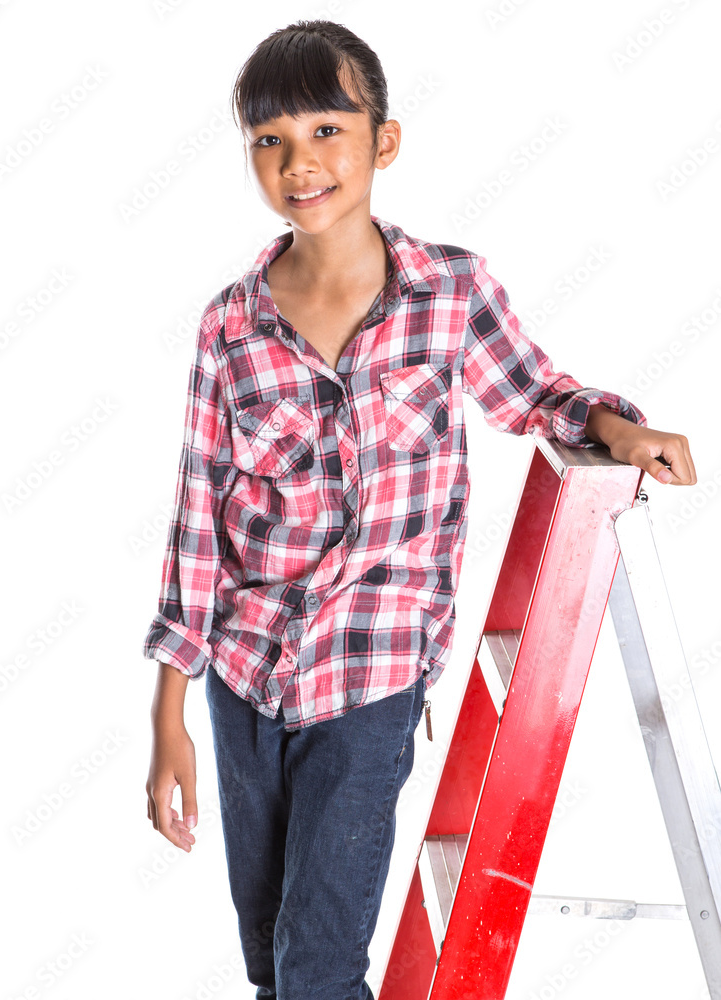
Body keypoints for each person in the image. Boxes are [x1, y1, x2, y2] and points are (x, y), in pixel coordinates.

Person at [143, 18, 696, 1000]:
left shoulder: (446, 292)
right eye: (268, 140)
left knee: (317, 967)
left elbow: (535, 393)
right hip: (244, 675)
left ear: (381, 141)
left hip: (371, 669)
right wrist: (170, 717)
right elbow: (199, 517)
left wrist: (616, 428)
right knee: (269, 961)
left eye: (325, 131)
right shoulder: (229, 323)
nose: (297, 162)